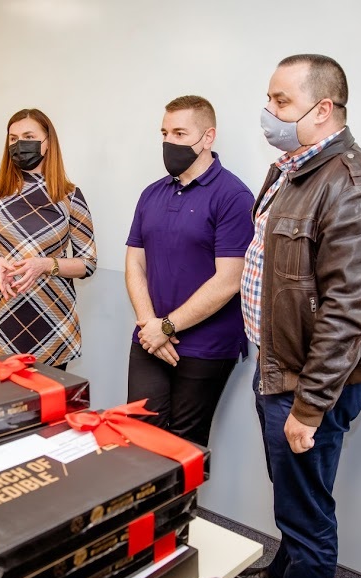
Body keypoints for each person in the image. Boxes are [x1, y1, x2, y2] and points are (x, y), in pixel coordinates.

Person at [229, 55, 361, 578]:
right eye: (269, 99)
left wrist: (308, 407)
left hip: (310, 382)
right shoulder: (290, 170)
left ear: (322, 109)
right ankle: (285, 571)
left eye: (281, 101)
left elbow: (349, 315)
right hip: (278, 365)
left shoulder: (355, 188)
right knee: (292, 492)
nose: (268, 112)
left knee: (309, 516)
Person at [124, 95, 254, 447]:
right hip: (150, 338)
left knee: (185, 447)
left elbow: (229, 280)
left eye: (180, 133)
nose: (169, 142)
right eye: (165, 133)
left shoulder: (234, 196)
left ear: (208, 137)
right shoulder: (151, 194)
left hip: (206, 346)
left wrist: (167, 327)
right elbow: (135, 263)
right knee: (139, 438)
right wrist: (150, 325)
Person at [0, 108, 96, 369]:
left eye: (28, 136)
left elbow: (87, 263)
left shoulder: (69, 195)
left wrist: (45, 265)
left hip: (53, 321)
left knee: (48, 394)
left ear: (47, 142)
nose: (19, 144)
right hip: (2, 315)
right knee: (3, 393)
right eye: (13, 138)